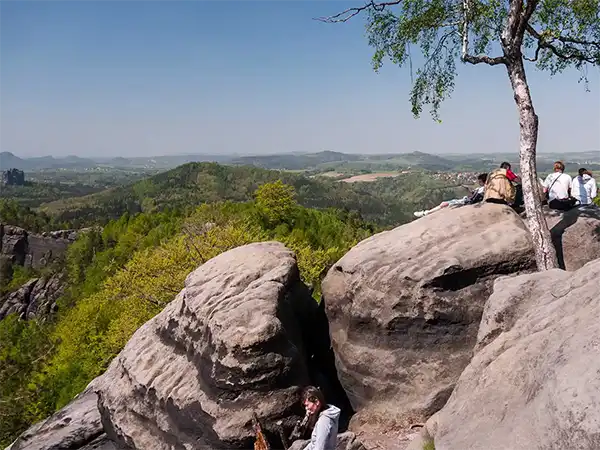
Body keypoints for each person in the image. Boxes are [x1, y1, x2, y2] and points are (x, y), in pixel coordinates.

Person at [413, 173, 487, 218]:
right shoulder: (482, 188)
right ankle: (426, 212)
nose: (478, 182)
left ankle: (426, 213)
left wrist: (469, 195)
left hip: (464, 202)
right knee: (444, 203)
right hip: (464, 200)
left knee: (443, 204)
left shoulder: (482, 190)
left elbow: (472, 200)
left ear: (483, 181)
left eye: (480, 181)